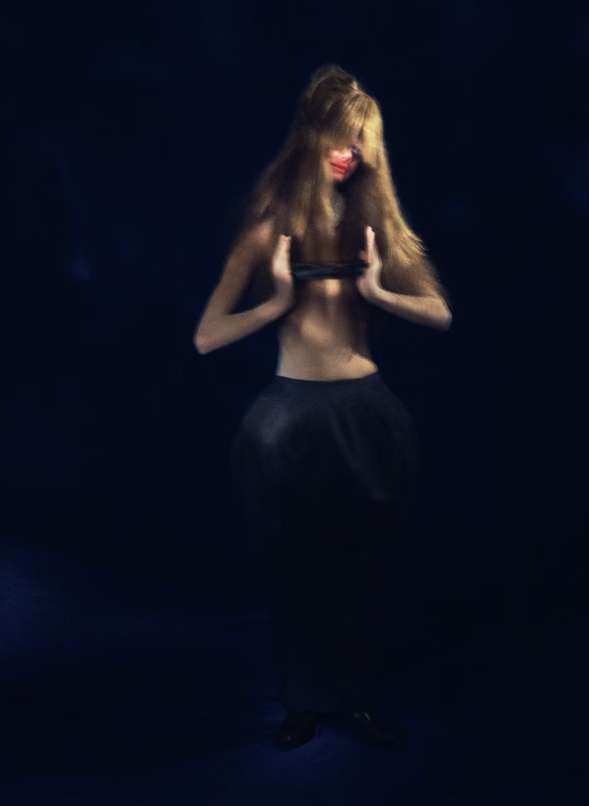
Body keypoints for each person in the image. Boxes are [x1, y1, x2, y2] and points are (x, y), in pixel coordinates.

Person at [193, 64, 452, 751]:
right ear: (310, 134)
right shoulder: (271, 227)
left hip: (367, 413)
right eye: (341, 137)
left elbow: (440, 314)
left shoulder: (375, 226)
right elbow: (207, 335)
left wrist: (381, 293)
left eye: (362, 142)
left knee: (364, 566)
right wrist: (278, 302)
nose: (350, 153)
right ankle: (302, 702)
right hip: (289, 417)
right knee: (295, 565)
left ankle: (357, 701)